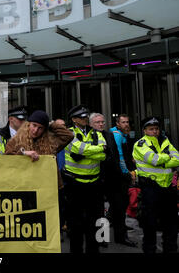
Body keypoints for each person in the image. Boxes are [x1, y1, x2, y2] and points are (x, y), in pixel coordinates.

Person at [63, 104, 107, 253]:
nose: (85, 118)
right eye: (82, 117)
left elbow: (103, 154)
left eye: (86, 116)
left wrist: (84, 153)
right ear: (74, 119)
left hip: (94, 184)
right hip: (75, 184)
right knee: (75, 223)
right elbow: (77, 149)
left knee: (93, 222)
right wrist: (95, 150)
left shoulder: (96, 133)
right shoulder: (68, 133)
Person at [89, 112, 137, 247]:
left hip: (113, 177)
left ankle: (121, 236)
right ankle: (101, 238)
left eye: (102, 122)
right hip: (97, 177)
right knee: (98, 211)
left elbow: (118, 155)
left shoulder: (109, 135)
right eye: (97, 122)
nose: (101, 124)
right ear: (91, 124)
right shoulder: (89, 136)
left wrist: (124, 173)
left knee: (119, 208)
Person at [132, 116, 179, 253]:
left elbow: (177, 159)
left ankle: (170, 249)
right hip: (150, 188)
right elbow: (154, 159)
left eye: (157, 129)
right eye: (151, 129)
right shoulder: (140, 144)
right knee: (150, 223)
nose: (155, 131)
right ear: (145, 130)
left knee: (170, 223)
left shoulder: (165, 141)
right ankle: (149, 250)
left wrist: (164, 160)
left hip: (168, 187)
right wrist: (167, 158)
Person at [5, 111, 74, 188]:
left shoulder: (51, 143)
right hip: (25, 186)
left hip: (46, 186)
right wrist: (23, 153)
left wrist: (50, 124)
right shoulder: (15, 141)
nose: (35, 130)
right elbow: (8, 160)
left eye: (40, 128)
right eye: (34, 125)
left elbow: (68, 135)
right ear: (28, 124)